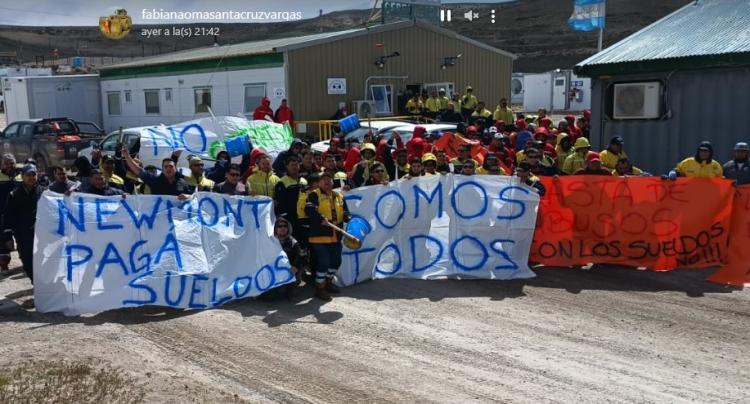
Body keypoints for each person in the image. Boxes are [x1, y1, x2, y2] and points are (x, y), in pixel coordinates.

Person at [305, 171, 350, 301]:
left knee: (336, 261)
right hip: (319, 234)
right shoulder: (314, 195)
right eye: (323, 179)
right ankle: (319, 288)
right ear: (319, 183)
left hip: (336, 234)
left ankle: (328, 282)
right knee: (324, 262)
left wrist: (348, 217)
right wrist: (320, 219)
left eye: (329, 179)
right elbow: (309, 210)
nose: (327, 182)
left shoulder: (339, 196)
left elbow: (346, 211)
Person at [3, 164, 45, 283]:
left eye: (34, 174)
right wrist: (8, 238)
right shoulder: (14, 195)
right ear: (22, 176)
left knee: (44, 263)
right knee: (28, 262)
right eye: (28, 175)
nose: (32, 177)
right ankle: (36, 285)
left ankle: (43, 292)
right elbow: (7, 217)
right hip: (24, 236)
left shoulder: (44, 192)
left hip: (42, 236)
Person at [261, 216, 304, 300]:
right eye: (280, 226)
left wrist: (295, 266)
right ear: (275, 228)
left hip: (290, 270)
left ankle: (291, 290)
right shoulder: (270, 241)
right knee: (270, 297)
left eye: (285, 226)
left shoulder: (293, 241)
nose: (283, 228)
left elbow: (299, 256)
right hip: (274, 270)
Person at [122, 146, 191, 198]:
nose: (168, 169)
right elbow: (138, 170)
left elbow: (192, 196)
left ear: (175, 169)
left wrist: (187, 196)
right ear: (162, 169)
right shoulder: (155, 180)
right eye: (166, 167)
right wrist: (127, 156)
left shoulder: (182, 182)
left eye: (171, 166)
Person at [274, 156, 308, 221]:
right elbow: (280, 202)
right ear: (287, 166)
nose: (294, 167)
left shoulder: (304, 181)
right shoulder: (282, 182)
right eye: (292, 165)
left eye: (296, 165)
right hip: (290, 216)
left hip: (303, 215)